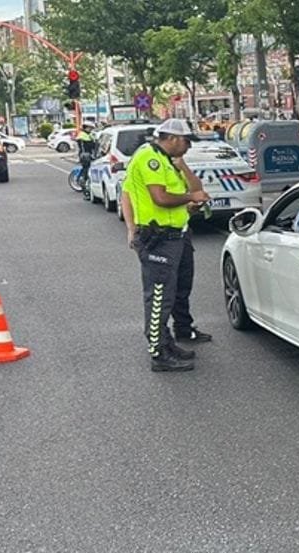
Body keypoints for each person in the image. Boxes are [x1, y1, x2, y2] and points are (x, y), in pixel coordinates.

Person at [118, 119, 210, 372]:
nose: (189, 146)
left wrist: (188, 195)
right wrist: (190, 197)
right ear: (172, 138)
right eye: (186, 141)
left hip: (174, 235)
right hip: (158, 239)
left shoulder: (168, 161)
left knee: (172, 292)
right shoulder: (150, 159)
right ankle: (158, 353)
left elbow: (191, 191)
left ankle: (166, 342)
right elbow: (159, 198)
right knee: (159, 297)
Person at [75, 122, 97, 187]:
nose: (91, 129)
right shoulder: (82, 135)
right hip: (84, 155)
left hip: (88, 154)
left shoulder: (88, 134)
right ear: (86, 127)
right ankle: (83, 182)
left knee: (88, 167)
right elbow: (90, 145)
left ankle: (86, 181)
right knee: (86, 168)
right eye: (90, 128)